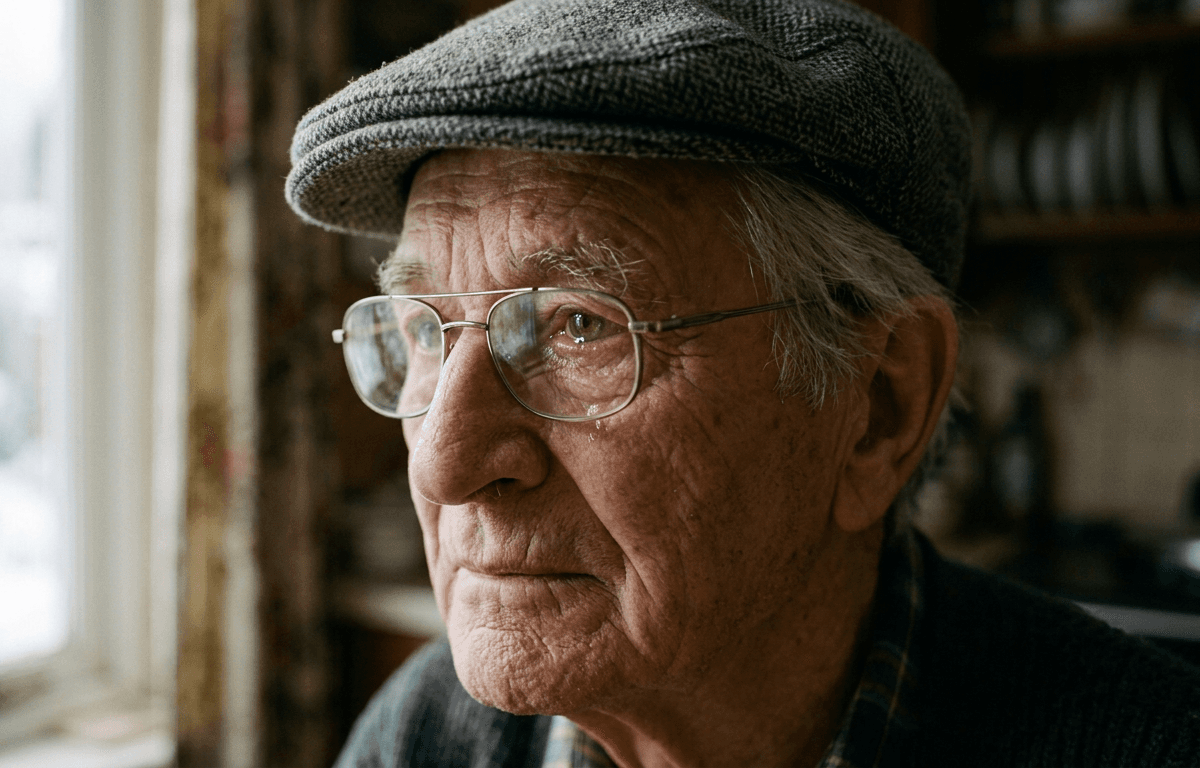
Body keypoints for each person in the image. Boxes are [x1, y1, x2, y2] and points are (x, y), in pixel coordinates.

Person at [286, 0, 1200, 766]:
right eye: (421, 333)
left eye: (578, 325)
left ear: (877, 408)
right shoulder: (427, 734)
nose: (444, 464)